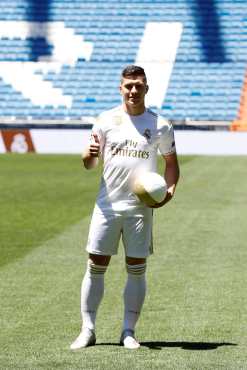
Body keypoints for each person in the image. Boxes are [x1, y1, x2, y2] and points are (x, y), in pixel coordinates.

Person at [70, 65, 180, 350]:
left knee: (136, 269)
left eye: (139, 85)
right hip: (107, 206)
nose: (133, 90)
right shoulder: (105, 120)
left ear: (146, 88)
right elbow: (90, 163)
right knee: (96, 266)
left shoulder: (160, 125)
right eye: (128, 85)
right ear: (120, 88)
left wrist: (169, 190)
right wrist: (87, 155)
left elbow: (171, 163)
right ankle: (88, 329)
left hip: (139, 210)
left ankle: (128, 331)